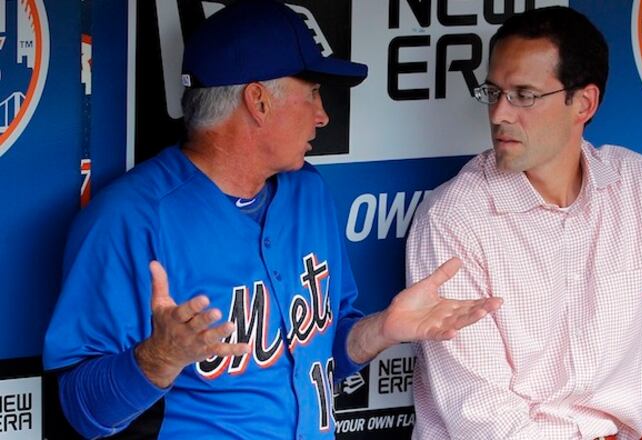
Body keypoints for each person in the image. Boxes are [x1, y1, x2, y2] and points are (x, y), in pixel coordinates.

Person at [42, 1, 501, 439]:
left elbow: (324, 356)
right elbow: (80, 414)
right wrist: (158, 358)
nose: (323, 116)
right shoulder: (129, 219)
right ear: (258, 100)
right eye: (314, 93)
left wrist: (382, 330)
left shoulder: (309, 193)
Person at [405, 6, 642, 440]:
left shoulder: (636, 187)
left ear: (584, 102)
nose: (500, 114)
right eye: (494, 93)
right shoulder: (454, 219)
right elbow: (483, 415)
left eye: (524, 94)